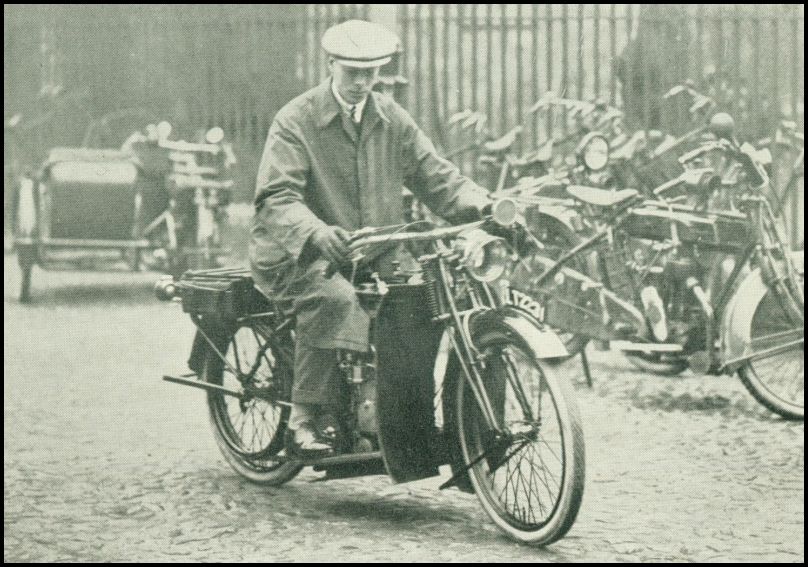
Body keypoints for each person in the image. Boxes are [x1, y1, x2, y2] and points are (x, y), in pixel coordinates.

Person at [250, 20, 491, 457]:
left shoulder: (391, 117)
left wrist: (484, 206)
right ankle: (303, 418)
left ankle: (401, 421)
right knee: (336, 301)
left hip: (374, 247)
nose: (363, 83)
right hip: (297, 252)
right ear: (331, 65)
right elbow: (276, 197)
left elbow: (435, 175)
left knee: (421, 296)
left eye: (371, 73)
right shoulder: (296, 119)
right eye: (352, 72)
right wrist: (316, 232)